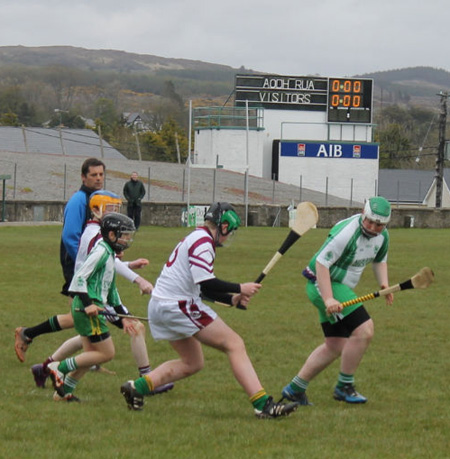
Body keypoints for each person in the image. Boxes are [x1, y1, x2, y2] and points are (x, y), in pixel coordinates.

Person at [120, 202, 298, 419]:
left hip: (162, 304)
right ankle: (263, 405)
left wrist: (231, 298)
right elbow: (206, 281)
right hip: (178, 305)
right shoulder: (203, 242)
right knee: (234, 344)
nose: (228, 236)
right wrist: (240, 288)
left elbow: (202, 287)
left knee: (192, 362)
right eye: (229, 231)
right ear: (222, 226)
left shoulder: (197, 237)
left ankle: (137, 387)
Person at [28, 191, 172, 395]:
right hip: (90, 301)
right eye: (111, 209)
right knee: (106, 350)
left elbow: (108, 274)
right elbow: (85, 273)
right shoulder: (98, 241)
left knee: (92, 350)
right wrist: (134, 280)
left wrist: (123, 310)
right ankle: (55, 368)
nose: (125, 241)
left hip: (94, 300)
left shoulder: (103, 242)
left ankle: (60, 387)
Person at [281, 196, 393, 405]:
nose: (373, 227)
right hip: (322, 282)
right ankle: (344, 387)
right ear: (363, 213)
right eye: (369, 221)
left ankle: (294, 389)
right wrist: (329, 298)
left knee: (335, 344)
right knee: (364, 329)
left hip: (336, 286)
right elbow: (323, 263)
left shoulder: (382, 236)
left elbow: (380, 260)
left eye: (379, 224)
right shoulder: (347, 233)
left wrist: (384, 285)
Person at [14, 157, 105, 362]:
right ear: (83, 177)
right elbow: (70, 236)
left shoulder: (97, 198)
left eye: (101, 174)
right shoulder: (78, 200)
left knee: (84, 313)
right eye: (93, 175)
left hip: (86, 262)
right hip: (75, 262)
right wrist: (84, 264)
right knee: (80, 314)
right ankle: (29, 334)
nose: (98, 178)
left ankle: (92, 359)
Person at [48, 212, 138, 402]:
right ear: (112, 235)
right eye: (124, 235)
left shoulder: (110, 254)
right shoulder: (101, 252)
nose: (127, 240)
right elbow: (79, 277)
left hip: (92, 307)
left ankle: (63, 393)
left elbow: (111, 291)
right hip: (87, 309)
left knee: (91, 356)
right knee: (106, 353)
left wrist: (124, 316)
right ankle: (59, 367)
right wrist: (89, 304)